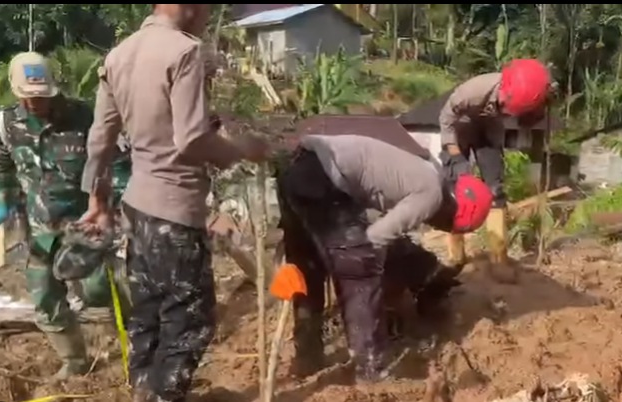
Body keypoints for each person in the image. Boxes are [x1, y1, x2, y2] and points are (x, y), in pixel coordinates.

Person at [79, 5, 269, 401]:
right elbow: (192, 140)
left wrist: (97, 201)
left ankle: (143, 393)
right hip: (174, 210)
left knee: (147, 315)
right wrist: (241, 149)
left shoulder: (119, 54)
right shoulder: (183, 52)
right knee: (189, 320)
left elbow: (99, 138)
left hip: (137, 209)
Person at [277, 134, 493, 382]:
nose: (442, 228)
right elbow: (375, 238)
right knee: (359, 266)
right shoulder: (431, 194)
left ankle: (308, 357)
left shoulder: (422, 172)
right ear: (454, 213)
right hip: (323, 177)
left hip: (294, 168)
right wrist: (386, 285)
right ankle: (371, 370)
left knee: (307, 271)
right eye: (450, 226)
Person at [0, 51, 131, 380]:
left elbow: (117, 163)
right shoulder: (7, 122)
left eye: (43, 95)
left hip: (83, 224)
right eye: (29, 96)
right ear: (15, 89)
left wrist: (112, 209)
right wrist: (0, 207)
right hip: (39, 230)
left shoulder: (83, 116)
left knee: (98, 290)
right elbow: (2, 169)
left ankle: (133, 340)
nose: (37, 102)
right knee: (45, 299)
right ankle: (74, 361)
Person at [438, 59, 550, 268]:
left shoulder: (523, 96)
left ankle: (499, 256)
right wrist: (455, 157)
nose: (509, 111)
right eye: (508, 107)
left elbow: (528, 119)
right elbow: (446, 119)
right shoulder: (471, 92)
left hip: (489, 126)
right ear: (503, 90)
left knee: (495, 190)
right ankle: (456, 255)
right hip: (459, 124)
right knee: (457, 191)